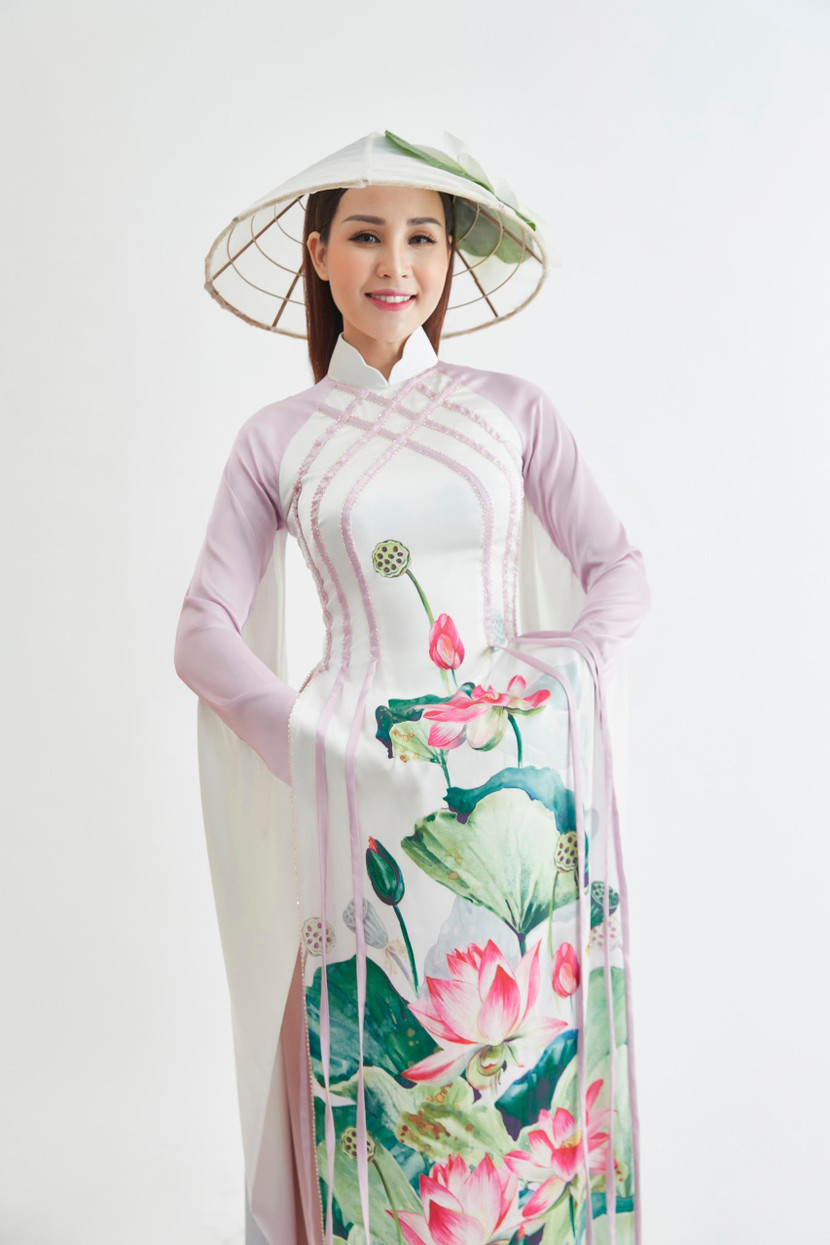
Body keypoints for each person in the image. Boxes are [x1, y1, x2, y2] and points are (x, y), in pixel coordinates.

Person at [174, 130, 652, 1245]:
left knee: (523, 1080)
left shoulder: (511, 408)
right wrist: (312, 742)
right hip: (355, 792)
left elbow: (619, 571)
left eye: (423, 237)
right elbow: (201, 632)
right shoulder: (277, 439)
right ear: (318, 255)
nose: (397, 263)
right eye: (365, 235)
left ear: (450, 258)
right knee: (381, 1085)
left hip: (515, 789)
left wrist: (554, 682)